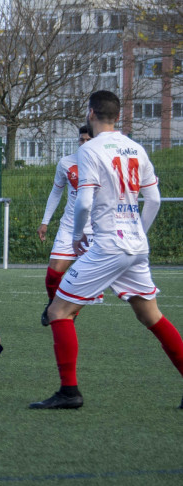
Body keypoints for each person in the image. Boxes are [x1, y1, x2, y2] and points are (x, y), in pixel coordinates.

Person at [31, 90, 183, 410]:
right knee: (150, 315)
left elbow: (84, 201)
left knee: (59, 311)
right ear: (119, 116)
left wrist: (75, 237)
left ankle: (69, 392)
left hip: (108, 245)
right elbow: (153, 200)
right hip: (136, 245)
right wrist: (138, 231)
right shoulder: (137, 148)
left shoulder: (90, 150)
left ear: (90, 113)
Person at [36, 125, 94, 326]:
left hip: (95, 232)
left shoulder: (104, 163)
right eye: (82, 140)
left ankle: (70, 311)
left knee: (88, 280)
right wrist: (45, 222)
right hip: (69, 228)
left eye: (88, 140)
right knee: (53, 275)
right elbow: (56, 192)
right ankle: (53, 303)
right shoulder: (66, 163)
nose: (84, 144)